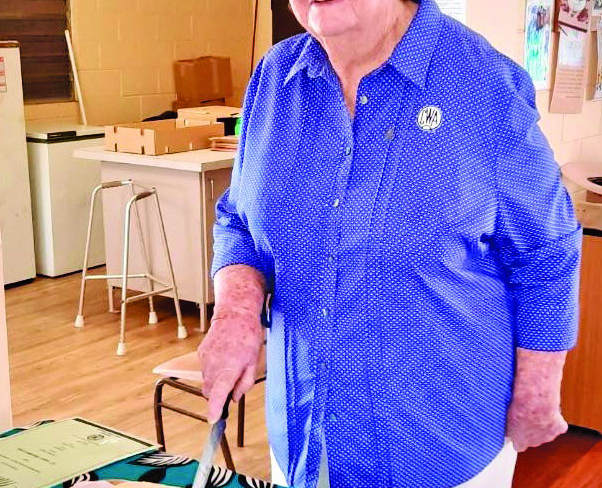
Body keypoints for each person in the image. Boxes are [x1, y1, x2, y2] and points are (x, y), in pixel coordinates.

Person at [198, 0, 582, 486]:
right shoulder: (275, 78)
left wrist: (538, 391)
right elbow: (239, 217)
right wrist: (235, 310)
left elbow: (545, 254)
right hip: (302, 438)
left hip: (439, 450)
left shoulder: (484, 85)